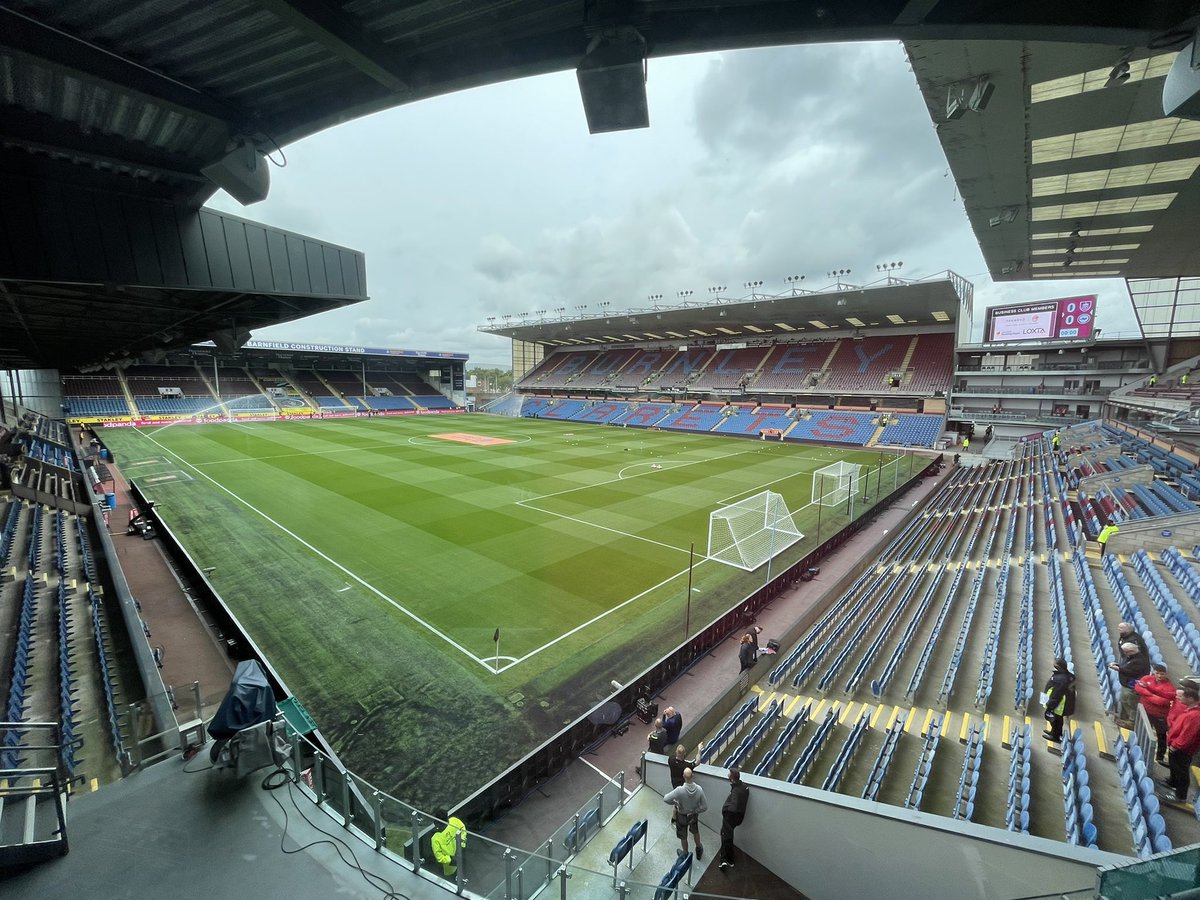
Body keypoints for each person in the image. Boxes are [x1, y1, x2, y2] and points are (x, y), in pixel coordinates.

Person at [1161, 686, 1200, 802]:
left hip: (1182, 749)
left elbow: (1188, 735)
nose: (1179, 699)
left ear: (1191, 699)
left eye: (1182, 697)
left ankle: (1180, 796)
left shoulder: (1195, 716)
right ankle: (1172, 782)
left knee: (1181, 771)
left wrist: (1176, 746)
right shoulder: (1190, 710)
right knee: (1174, 766)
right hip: (1176, 745)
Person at [1135, 663, 1176, 764]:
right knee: (1142, 730)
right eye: (1157, 673)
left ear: (1165, 674)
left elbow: (1162, 702)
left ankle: (1160, 757)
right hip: (1145, 711)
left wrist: (1147, 694)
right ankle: (1138, 748)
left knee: (1161, 736)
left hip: (1159, 716)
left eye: (1162, 674)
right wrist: (1152, 695)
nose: (1159, 676)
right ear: (1154, 672)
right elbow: (1138, 687)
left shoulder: (1169, 687)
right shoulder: (1147, 678)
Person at [664, 767, 708, 859]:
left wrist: (675, 803)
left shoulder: (679, 790)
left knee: (683, 836)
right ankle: (699, 848)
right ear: (693, 776)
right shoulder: (699, 789)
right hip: (693, 816)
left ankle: (685, 853)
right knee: (695, 832)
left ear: (683, 776)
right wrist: (695, 811)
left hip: (681, 815)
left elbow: (666, 799)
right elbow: (704, 807)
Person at [1110, 641, 1151, 726]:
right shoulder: (1132, 657)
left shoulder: (1139, 660)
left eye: (1126, 652)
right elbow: (1127, 666)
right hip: (1127, 685)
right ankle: (1127, 719)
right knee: (1124, 700)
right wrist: (1118, 665)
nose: (1124, 653)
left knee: (1131, 704)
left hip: (1132, 686)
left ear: (1131, 651)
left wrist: (1119, 669)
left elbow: (1131, 672)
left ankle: (1132, 722)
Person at [718, 766, 750, 871]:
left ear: (731, 778)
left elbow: (734, 807)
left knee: (726, 836)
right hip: (739, 817)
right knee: (725, 834)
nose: (727, 775)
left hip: (730, 818)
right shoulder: (744, 787)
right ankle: (725, 858)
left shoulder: (736, 790)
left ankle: (726, 860)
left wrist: (725, 811)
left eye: (729, 774)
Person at [1043, 658, 1075, 743]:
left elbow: (1057, 694)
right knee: (1058, 720)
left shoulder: (1060, 679)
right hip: (1065, 703)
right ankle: (1054, 732)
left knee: (1055, 720)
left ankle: (1055, 736)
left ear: (1059, 666)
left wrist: (1050, 705)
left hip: (1059, 704)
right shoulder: (1070, 676)